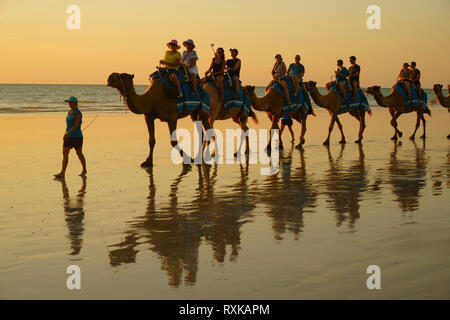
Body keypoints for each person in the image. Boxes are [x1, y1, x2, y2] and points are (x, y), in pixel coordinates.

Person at [54, 96, 87, 179]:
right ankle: (62, 173)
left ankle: (84, 169)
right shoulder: (69, 112)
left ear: (75, 103)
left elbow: (76, 125)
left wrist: (68, 133)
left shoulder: (78, 113)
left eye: (71, 102)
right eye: (68, 102)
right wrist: (65, 133)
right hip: (68, 136)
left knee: (79, 153)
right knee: (65, 154)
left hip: (77, 137)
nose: (69, 103)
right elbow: (68, 125)